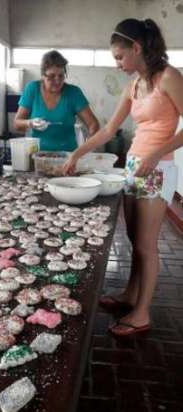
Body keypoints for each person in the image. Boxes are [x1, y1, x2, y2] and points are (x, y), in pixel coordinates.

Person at [63, 18, 183, 337]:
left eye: (119, 57)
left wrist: (157, 154)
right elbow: (108, 129)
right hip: (133, 167)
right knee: (133, 238)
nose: (117, 64)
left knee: (146, 245)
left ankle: (142, 313)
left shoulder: (168, 77)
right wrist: (77, 153)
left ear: (136, 47)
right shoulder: (133, 85)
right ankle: (131, 294)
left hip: (157, 169)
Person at [14, 50, 99, 151]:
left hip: (67, 157)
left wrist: (87, 146)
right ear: (42, 76)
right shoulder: (32, 89)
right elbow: (17, 124)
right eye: (51, 76)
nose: (57, 81)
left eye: (61, 76)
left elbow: (93, 124)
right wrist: (30, 123)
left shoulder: (73, 93)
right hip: (37, 156)